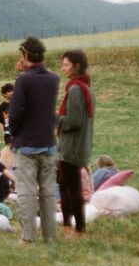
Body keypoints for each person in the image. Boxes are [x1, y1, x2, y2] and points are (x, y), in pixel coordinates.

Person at [9, 37, 60, 243]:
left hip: (27, 144)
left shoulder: (23, 80)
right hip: (48, 142)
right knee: (48, 192)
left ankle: (28, 237)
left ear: (25, 56)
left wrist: (13, 132)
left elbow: (16, 113)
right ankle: (50, 236)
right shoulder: (53, 79)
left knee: (27, 192)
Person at [56, 50, 95, 235]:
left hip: (71, 147)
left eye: (66, 65)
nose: (63, 68)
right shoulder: (86, 88)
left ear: (77, 66)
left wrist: (55, 117)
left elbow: (74, 121)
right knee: (66, 186)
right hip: (77, 145)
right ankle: (67, 224)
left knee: (71, 188)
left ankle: (78, 227)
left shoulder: (75, 89)